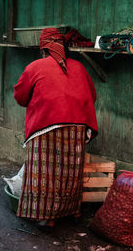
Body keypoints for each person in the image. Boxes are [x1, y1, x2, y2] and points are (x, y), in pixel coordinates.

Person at [14, 28, 98, 227]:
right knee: (69, 171)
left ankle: (46, 217)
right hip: (77, 126)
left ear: (43, 48)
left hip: (45, 126)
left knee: (45, 172)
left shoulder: (35, 67)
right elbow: (92, 96)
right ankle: (71, 212)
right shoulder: (78, 66)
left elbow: (20, 96)